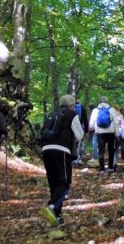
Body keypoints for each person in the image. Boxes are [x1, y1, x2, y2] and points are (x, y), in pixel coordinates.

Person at [40, 94, 84, 227]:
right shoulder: (71, 114)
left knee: (54, 184)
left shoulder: (51, 114)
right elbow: (80, 134)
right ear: (71, 105)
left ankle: (56, 216)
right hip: (62, 150)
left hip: (46, 150)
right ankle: (51, 206)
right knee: (64, 183)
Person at [88, 96, 119, 174]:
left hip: (100, 133)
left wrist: (92, 130)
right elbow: (116, 122)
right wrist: (117, 133)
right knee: (111, 150)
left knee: (101, 151)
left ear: (100, 102)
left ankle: (102, 169)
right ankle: (110, 167)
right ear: (107, 102)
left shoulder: (95, 110)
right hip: (111, 133)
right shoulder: (112, 110)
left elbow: (91, 123)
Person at [73, 97, 88, 164]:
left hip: (72, 128)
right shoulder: (82, 108)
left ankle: (73, 159)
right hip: (80, 128)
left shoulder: (70, 107)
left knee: (73, 143)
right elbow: (85, 120)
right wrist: (86, 130)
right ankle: (79, 159)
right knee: (79, 143)